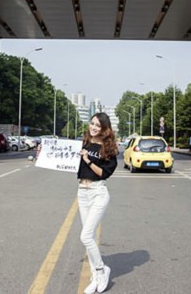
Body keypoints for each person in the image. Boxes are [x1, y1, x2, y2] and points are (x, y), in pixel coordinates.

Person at [77, 112, 118, 294]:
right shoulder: (85, 142)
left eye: (97, 125)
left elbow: (104, 173)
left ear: (104, 129)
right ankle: (95, 276)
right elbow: (69, 161)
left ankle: (101, 270)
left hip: (98, 192)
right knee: (90, 238)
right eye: (92, 123)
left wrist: (87, 160)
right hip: (82, 192)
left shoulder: (108, 149)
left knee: (85, 236)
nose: (93, 127)